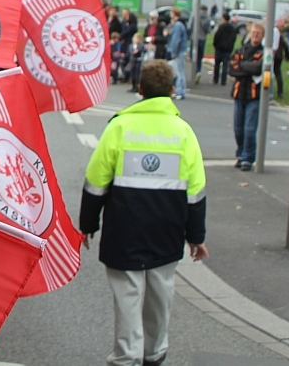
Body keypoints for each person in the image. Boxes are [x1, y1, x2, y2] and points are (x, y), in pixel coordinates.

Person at [80, 59, 208, 366]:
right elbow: (196, 191)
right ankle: (155, 353)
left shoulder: (120, 127)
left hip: (123, 230)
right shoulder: (184, 132)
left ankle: (126, 357)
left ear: (139, 89)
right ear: (172, 91)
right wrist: (196, 236)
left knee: (127, 298)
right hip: (167, 230)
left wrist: (88, 224)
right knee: (160, 297)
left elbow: (96, 180)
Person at [229, 23, 264, 170]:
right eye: (253, 32)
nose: (255, 35)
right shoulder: (240, 50)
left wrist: (243, 66)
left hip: (254, 95)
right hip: (239, 93)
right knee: (238, 128)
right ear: (249, 33)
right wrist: (247, 67)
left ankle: (248, 158)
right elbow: (232, 69)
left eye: (259, 33)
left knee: (250, 129)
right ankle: (240, 154)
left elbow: (258, 69)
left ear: (262, 36)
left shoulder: (263, 52)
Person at [165, 7, 187, 100]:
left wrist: (173, 51)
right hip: (180, 50)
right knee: (178, 71)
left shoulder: (178, 25)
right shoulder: (177, 24)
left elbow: (176, 39)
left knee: (179, 71)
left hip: (179, 51)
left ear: (174, 14)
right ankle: (179, 90)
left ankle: (180, 91)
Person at [211, 13, 236, 86]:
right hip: (228, 49)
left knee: (217, 64)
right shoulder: (232, 28)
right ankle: (223, 80)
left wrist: (215, 45)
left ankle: (215, 79)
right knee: (225, 65)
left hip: (219, 48)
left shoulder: (221, 27)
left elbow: (217, 37)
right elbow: (233, 38)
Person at [194, 5, 209, 83]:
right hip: (202, 38)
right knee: (200, 57)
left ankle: (193, 71)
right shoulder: (207, 18)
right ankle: (198, 71)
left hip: (195, 38)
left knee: (194, 56)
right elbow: (208, 29)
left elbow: (190, 26)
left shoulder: (195, 15)